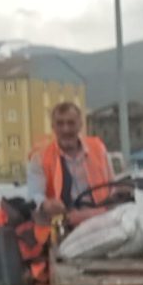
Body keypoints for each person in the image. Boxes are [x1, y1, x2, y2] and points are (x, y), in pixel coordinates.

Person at [26, 99, 115, 233]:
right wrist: (45, 204)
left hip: (101, 219)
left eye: (71, 123)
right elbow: (34, 194)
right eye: (60, 124)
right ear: (53, 126)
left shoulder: (98, 148)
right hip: (62, 225)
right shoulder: (40, 157)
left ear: (80, 125)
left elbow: (113, 186)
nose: (66, 129)